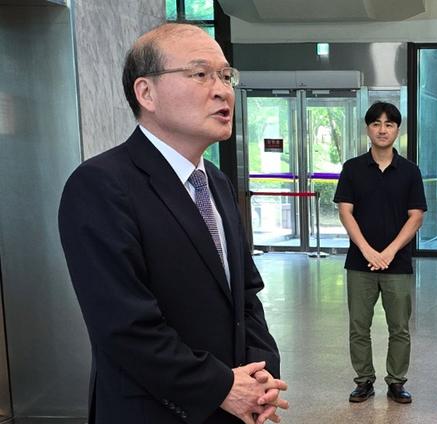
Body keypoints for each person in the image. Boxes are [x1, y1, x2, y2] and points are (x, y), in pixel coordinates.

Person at [58, 23, 287, 424]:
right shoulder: (100, 185)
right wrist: (221, 388)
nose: (221, 90)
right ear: (146, 92)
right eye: (200, 74)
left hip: (232, 403)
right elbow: (125, 327)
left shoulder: (214, 181)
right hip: (154, 411)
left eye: (226, 75)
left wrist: (261, 374)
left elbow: (245, 294)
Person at [334, 102, 427, 404]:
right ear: (368, 128)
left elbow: (416, 216)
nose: (382, 129)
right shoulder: (352, 168)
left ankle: (396, 382)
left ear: (398, 130)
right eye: (376, 123)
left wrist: (387, 252)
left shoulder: (410, 171)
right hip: (360, 263)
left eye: (389, 124)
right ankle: (363, 381)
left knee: (399, 327)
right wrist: (367, 250)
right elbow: (345, 212)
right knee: (359, 326)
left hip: (397, 263)